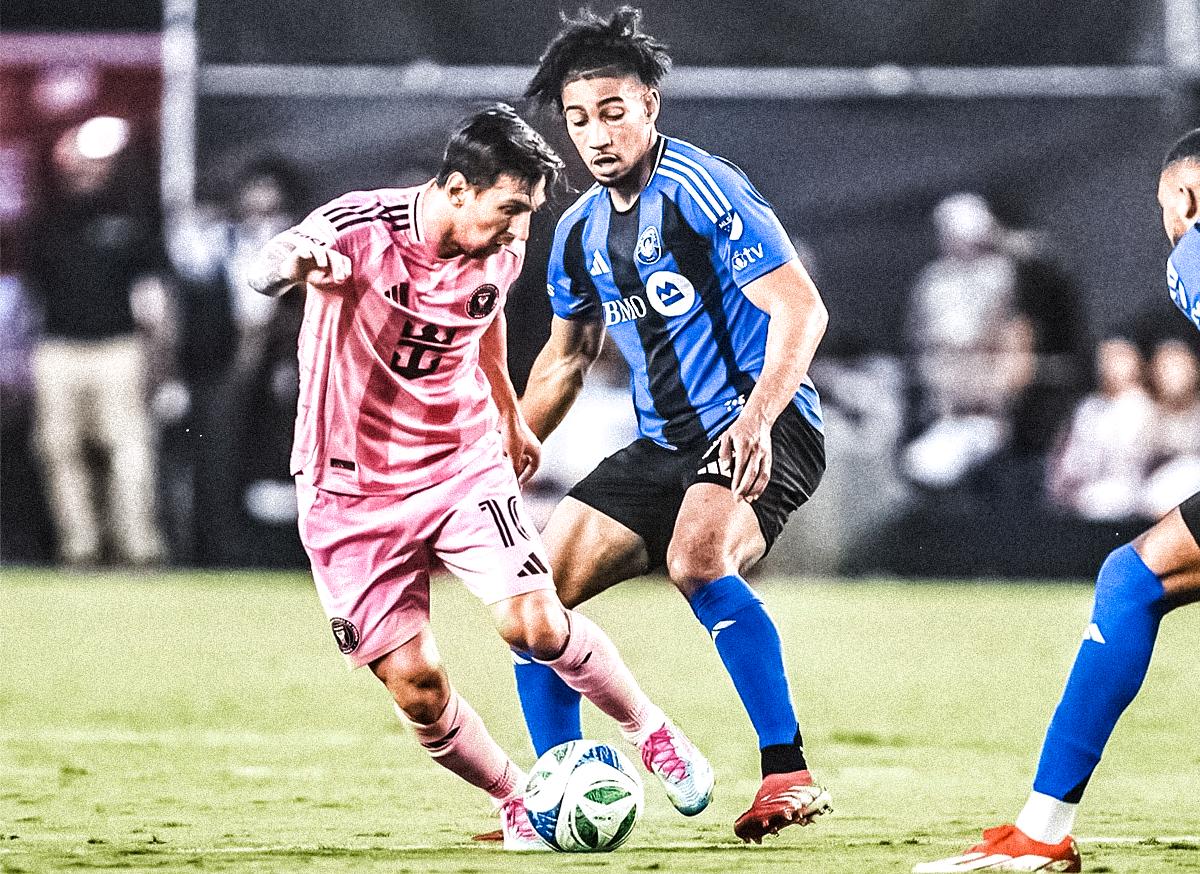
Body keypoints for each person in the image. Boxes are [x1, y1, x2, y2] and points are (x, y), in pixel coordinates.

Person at [246, 104, 713, 850]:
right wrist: (294, 266)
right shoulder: (357, 230)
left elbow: (483, 317)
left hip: (459, 464)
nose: (520, 231)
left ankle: (652, 733)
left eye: (529, 212)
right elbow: (269, 264)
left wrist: (508, 411)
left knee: (534, 622)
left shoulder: (499, 245)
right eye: (511, 209)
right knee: (417, 689)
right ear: (458, 189)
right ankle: (516, 800)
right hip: (348, 490)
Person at [509, 7, 832, 844]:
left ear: (649, 105)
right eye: (580, 118)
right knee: (532, 602)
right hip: (663, 445)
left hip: (765, 425)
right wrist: (505, 452)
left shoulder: (701, 187)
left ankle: (788, 772)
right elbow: (565, 360)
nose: (596, 134)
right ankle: (556, 793)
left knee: (697, 559)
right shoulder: (577, 231)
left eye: (613, 111)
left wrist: (757, 421)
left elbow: (801, 309)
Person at [913, 128, 1200, 872]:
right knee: (1135, 577)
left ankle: (1041, 835)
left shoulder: (1194, 253)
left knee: (1132, 581)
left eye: (1165, 206)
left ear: (1187, 197)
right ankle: (1040, 831)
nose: (1168, 224)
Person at [22, 116, 167, 569]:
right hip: (58, 347)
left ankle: (137, 547)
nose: (90, 168)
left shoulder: (134, 215)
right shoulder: (46, 219)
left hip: (119, 347)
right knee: (58, 448)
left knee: (129, 446)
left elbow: (152, 297)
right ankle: (80, 546)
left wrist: (160, 355)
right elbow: (29, 293)